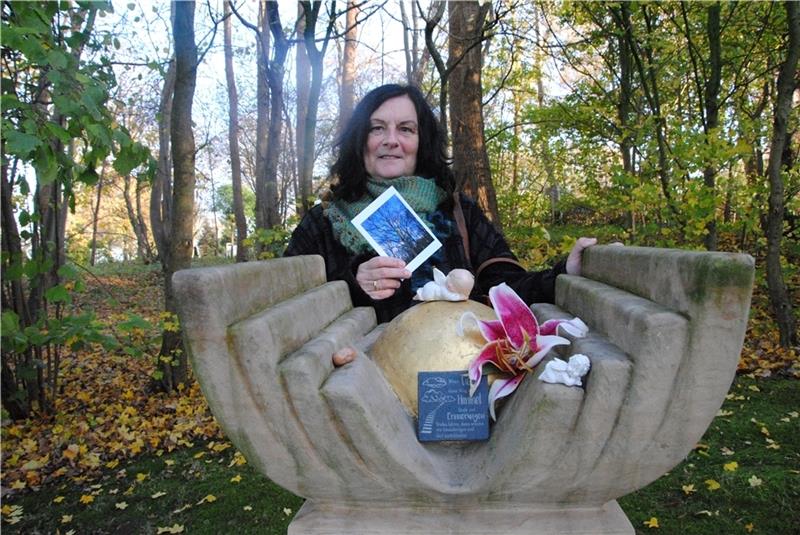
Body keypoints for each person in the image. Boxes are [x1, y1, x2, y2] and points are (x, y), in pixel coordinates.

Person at [284, 83, 596, 333]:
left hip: (454, 375)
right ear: (359, 139)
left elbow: (507, 290)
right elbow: (289, 310)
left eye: (406, 129)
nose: (391, 140)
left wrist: (564, 272)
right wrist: (350, 284)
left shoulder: (458, 212)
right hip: (359, 382)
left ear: (422, 142)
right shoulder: (323, 221)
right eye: (377, 128)